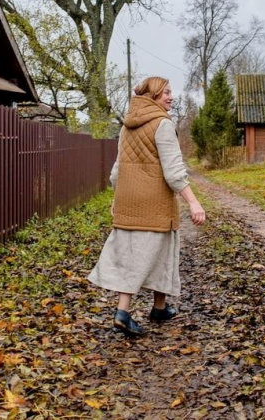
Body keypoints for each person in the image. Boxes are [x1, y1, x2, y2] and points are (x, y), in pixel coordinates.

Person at [87, 76, 206, 336]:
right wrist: (193, 202)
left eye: (170, 91)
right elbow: (174, 172)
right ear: (153, 96)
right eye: (166, 92)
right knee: (145, 255)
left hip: (130, 200)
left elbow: (117, 171)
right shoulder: (162, 124)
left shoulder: (127, 126)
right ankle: (122, 313)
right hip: (155, 202)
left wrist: (118, 199)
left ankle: (158, 308)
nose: (171, 97)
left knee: (150, 251)